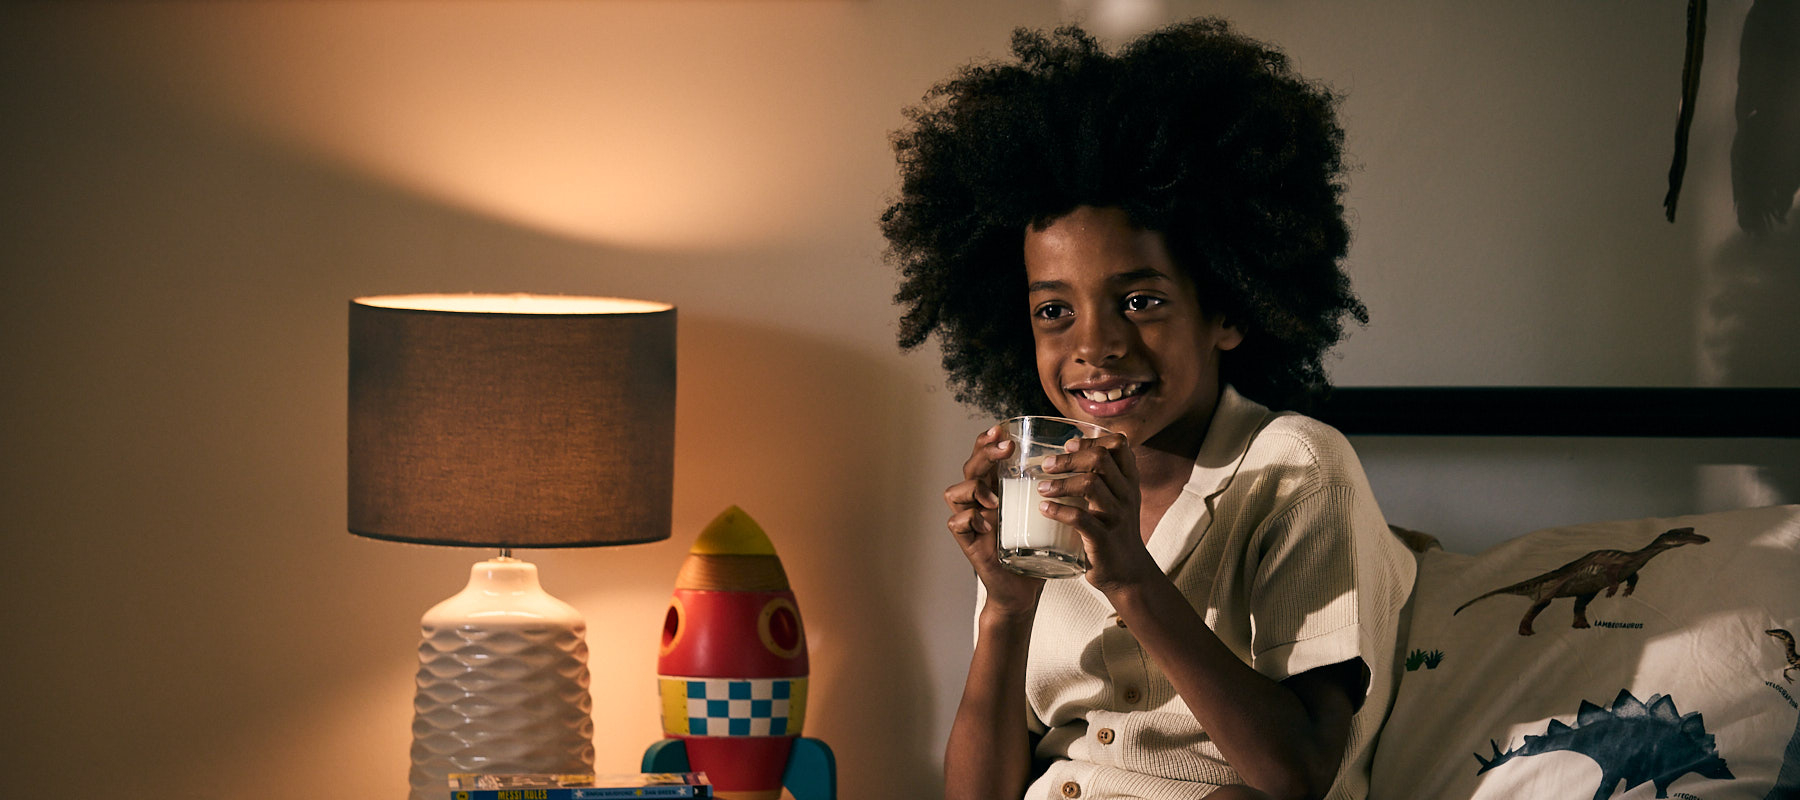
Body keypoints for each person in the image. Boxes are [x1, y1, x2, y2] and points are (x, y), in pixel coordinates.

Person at [879, 19, 1417, 800]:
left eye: (1139, 300)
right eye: (1053, 312)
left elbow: (1299, 772)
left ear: (1227, 309)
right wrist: (1005, 603)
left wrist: (1131, 577)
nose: (1095, 346)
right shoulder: (1038, 490)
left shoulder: (1296, 469)